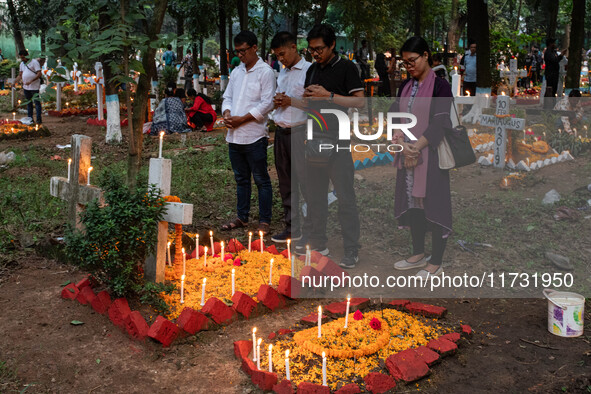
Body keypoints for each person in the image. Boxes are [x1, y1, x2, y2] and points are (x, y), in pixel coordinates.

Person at [300, 23, 365, 268]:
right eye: (311, 50)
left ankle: (351, 248)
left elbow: (360, 103)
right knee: (315, 196)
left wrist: (327, 96)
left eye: (319, 49)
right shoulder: (312, 70)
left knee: (345, 197)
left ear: (332, 45)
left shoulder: (347, 68)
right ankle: (319, 242)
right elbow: (309, 104)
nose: (315, 54)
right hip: (314, 140)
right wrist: (297, 101)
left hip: (337, 143)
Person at [392, 36, 453, 279]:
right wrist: (400, 141)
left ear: (426, 55)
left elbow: (440, 123)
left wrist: (415, 147)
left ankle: (436, 262)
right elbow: (395, 113)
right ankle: (418, 254)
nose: (409, 66)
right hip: (407, 154)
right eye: (405, 63)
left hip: (431, 155)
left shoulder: (440, 87)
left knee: (433, 204)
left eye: (413, 61)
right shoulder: (406, 86)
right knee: (412, 203)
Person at [221, 30, 276, 235]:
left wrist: (242, 119)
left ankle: (264, 220)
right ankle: (242, 217)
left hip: (254, 135)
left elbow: (267, 103)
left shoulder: (265, 72)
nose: (240, 55)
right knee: (241, 178)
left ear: (254, 48)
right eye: (237, 51)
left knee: (261, 178)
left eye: (244, 51)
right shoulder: (236, 72)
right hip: (234, 136)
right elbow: (227, 96)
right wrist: (227, 112)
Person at [269, 31, 311, 243]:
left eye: (283, 54)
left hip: (300, 132)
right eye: (277, 56)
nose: (281, 59)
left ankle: (312, 231)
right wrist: (278, 102)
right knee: (286, 182)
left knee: (306, 182)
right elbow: (283, 99)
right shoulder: (283, 72)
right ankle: (292, 227)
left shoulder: (309, 71)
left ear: (294, 47)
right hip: (281, 132)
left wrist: (290, 101)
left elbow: (315, 105)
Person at [14, 50, 42, 124]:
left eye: (23, 57)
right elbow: (20, 75)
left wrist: (31, 81)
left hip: (34, 86)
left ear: (27, 55)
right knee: (28, 103)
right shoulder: (22, 64)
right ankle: (30, 119)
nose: (22, 59)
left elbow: (39, 73)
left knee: (36, 103)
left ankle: (39, 119)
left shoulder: (34, 62)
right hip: (26, 87)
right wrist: (14, 81)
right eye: (21, 58)